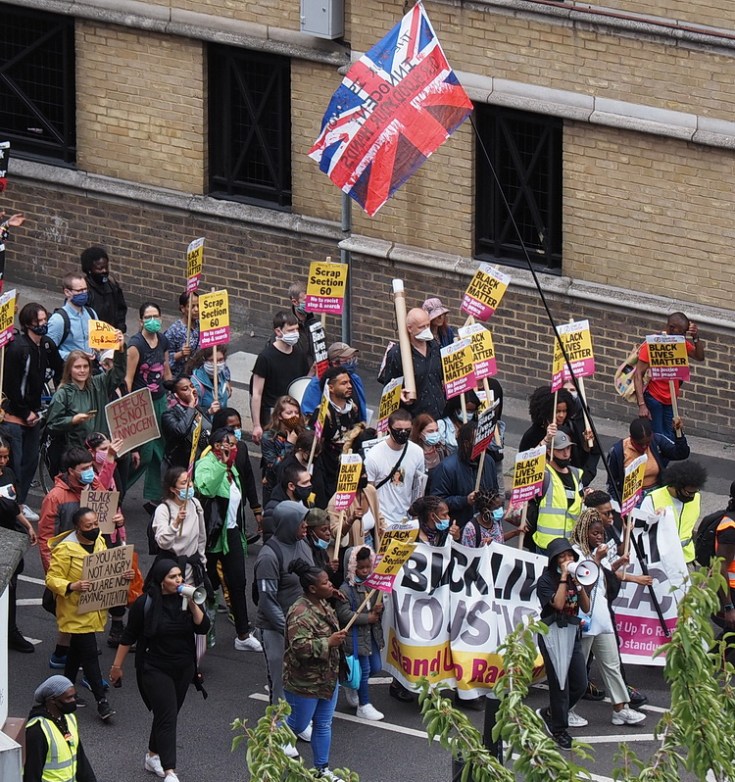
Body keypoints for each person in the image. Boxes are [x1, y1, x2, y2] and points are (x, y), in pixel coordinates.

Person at [109, 560, 210, 782]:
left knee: (168, 714)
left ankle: (152, 755)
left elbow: (203, 627)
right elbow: (128, 636)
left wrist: (193, 604)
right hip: (154, 668)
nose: (179, 581)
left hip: (183, 668)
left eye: (180, 576)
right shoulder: (145, 603)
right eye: (173, 577)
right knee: (167, 717)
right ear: (161, 580)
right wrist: (117, 667)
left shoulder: (187, 601)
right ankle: (169, 770)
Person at [46, 507, 129, 721]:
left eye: (95, 524)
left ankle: (63, 692)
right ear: (77, 528)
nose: (94, 529)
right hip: (74, 611)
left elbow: (107, 565)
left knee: (76, 652)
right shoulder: (65, 550)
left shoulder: (99, 540)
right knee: (90, 653)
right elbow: (52, 579)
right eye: (88, 526)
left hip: (94, 608)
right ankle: (102, 703)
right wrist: (72, 585)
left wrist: (123, 573)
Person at [569, 511, 647, 727]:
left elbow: (604, 577)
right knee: (576, 670)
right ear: (584, 533)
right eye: (595, 533)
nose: (600, 538)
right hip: (583, 622)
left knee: (611, 664)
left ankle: (620, 709)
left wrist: (616, 563)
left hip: (602, 619)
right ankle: (566, 710)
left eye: (601, 534)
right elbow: (586, 583)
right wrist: (596, 559)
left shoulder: (595, 554)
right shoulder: (574, 555)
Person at [194, 429, 262, 651]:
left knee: (238, 582)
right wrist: (220, 465)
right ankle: (200, 632)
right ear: (214, 447)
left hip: (231, 534)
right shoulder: (205, 464)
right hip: (212, 536)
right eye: (226, 445)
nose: (232, 449)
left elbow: (237, 507)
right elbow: (206, 489)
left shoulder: (233, 469)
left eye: (233, 445)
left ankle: (243, 634)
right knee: (207, 585)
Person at [282, 559, 347, 776]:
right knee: (297, 724)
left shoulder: (324, 603)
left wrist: (332, 596)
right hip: (305, 682)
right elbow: (299, 647)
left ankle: (322, 769)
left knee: (323, 724)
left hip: (328, 678)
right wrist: (328, 642)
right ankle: (270, 747)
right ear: (312, 588)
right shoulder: (300, 613)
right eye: (326, 583)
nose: (331, 585)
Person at [0, 302, 63, 519]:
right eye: (39, 321)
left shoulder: (45, 345)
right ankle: (10, 505)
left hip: (34, 415)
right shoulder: (18, 349)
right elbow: (11, 385)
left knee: (30, 461)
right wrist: (24, 411)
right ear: (28, 323)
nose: (44, 325)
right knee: (14, 462)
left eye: (45, 320)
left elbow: (60, 367)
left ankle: (20, 502)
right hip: (15, 418)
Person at [254, 501, 314, 711]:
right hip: (277, 630)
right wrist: (289, 630)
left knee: (300, 677)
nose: (306, 525)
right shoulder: (268, 557)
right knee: (280, 681)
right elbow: (267, 601)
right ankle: (278, 727)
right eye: (301, 522)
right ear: (289, 524)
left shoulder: (303, 545)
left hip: (301, 627)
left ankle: (297, 721)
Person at [534, 537, 591, 751]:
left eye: (570, 556)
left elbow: (585, 607)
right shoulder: (546, 581)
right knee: (560, 684)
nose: (567, 560)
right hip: (552, 634)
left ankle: (551, 712)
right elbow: (558, 604)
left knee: (580, 683)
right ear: (554, 560)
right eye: (562, 557)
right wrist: (564, 577)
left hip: (571, 632)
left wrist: (580, 584)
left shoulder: (576, 578)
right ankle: (558, 729)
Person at [45, 332, 126, 476]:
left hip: (101, 450)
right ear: (69, 369)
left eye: (85, 366)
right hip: (79, 454)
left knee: (115, 488)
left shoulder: (98, 383)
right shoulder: (63, 394)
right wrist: (72, 420)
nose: (82, 370)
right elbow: (52, 424)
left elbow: (118, 373)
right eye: (77, 367)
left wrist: (120, 350)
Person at [126, 302, 172, 502]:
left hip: (160, 400)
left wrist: (174, 391)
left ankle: (154, 494)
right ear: (141, 321)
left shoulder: (163, 340)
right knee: (144, 454)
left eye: (156, 317)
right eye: (148, 318)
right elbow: (128, 379)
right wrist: (128, 407)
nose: (152, 321)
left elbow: (166, 369)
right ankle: (117, 488)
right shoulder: (135, 346)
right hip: (141, 404)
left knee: (159, 450)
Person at [634, 311, 705, 439]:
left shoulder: (679, 342)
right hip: (654, 399)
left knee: (671, 438)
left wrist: (696, 337)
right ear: (671, 327)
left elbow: (699, 357)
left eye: (685, 332)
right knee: (658, 438)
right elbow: (638, 374)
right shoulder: (653, 344)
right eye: (681, 332)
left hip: (671, 400)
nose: (683, 336)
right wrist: (642, 405)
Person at [336, 546, 385, 721]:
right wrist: (368, 618)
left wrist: (380, 609)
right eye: (361, 568)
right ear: (352, 568)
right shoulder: (345, 589)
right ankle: (364, 705)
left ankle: (353, 685)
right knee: (364, 670)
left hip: (370, 635)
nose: (365, 571)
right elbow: (343, 614)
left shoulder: (372, 585)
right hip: (355, 638)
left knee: (376, 667)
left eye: (367, 567)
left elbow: (375, 608)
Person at [0, 435, 37, 653]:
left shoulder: (10, 474)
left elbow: (14, 508)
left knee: (11, 589)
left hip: (10, 538)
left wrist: (29, 527)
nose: (3, 461)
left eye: (6, 457)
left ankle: (10, 630)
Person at [250, 311, 310, 443]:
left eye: (296, 329)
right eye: (290, 330)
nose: (295, 334)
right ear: (278, 331)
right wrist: (256, 425)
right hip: (272, 415)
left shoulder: (299, 354)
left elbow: (302, 384)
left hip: (293, 413)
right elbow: (256, 393)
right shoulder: (265, 357)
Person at [24, 675, 97, 782]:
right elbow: (32, 773)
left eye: (74, 696)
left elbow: (80, 758)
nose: (73, 701)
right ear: (52, 700)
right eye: (68, 698)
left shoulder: (69, 718)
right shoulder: (37, 730)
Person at [428, 421, 499, 528]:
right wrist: (465, 500)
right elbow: (437, 501)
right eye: (478, 441)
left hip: (482, 530)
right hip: (458, 529)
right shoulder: (447, 468)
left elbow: (494, 490)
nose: (483, 445)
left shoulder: (488, 462)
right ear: (466, 444)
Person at [378, 307, 445, 419]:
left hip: (439, 415)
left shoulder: (435, 347)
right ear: (410, 328)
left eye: (427, 325)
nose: (426, 329)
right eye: (421, 327)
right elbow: (389, 390)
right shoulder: (397, 354)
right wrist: (399, 394)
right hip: (415, 420)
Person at [310, 368, 364, 508]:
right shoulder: (323, 414)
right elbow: (315, 445)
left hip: (345, 467)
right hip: (327, 468)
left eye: (349, 382)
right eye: (344, 383)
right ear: (331, 388)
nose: (349, 386)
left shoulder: (353, 408)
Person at [607, 416, 690, 504]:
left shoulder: (657, 441)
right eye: (639, 444)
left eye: (647, 443)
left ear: (652, 436)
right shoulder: (618, 452)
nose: (644, 447)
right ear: (631, 438)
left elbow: (681, 454)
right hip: (632, 499)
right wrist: (619, 505)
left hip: (657, 493)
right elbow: (612, 483)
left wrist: (678, 434)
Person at [639, 460, 707, 565]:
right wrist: (654, 520)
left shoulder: (696, 497)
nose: (692, 496)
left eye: (695, 491)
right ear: (676, 486)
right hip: (660, 560)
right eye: (689, 492)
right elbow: (641, 531)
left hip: (686, 559)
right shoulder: (653, 499)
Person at [210, 407, 263, 542]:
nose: (237, 430)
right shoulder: (209, 453)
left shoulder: (242, 448)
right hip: (218, 508)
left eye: (239, 426)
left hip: (238, 505)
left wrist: (256, 509)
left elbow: (249, 478)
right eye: (232, 427)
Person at [364, 409, 425, 524]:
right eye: (398, 430)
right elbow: (368, 492)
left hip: (406, 520)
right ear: (388, 428)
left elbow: (418, 486)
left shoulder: (417, 452)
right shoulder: (374, 456)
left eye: (407, 430)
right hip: (382, 520)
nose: (402, 433)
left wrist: (415, 517)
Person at [527, 431, 583, 553]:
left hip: (569, 546)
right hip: (546, 546)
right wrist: (545, 440)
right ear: (549, 451)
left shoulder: (577, 474)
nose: (566, 453)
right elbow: (528, 464)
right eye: (560, 449)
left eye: (568, 448)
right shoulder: (543, 474)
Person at [152, 466, 207, 586]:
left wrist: (203, 563)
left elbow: (201, 537)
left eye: (189, 481)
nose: (190, 486)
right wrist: (176, 523)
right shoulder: (163, 510)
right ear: (173, 489)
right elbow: (163, 543)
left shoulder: (195, 504)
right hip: (171, 573)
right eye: (184, 483)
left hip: (192, 570)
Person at [301, 342, 368, 421]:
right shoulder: (318, 383)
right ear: (335, 363)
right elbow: (309, 414)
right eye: (347, 360)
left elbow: (361, 406)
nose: (352, 362)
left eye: (353, 358)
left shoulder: (355, 378)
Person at [161, 375, 215, 473]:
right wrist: (190, 406)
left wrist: (208, 412)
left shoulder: (197, 408)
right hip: (180, 469)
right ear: (176, 394)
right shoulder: (168, 415)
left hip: (201, 465)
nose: (192, 390)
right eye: (185, 389)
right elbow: (181, 431)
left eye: (192, 386)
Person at [260, 394, 305, 506]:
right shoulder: (268, 437)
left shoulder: (302, 433)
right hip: (275, 489)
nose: (294, 416)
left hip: (298, 487)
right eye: (289, 413)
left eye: (296, 413)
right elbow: (274, 466)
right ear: (280, 415)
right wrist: (289, 445)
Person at [46, 272, 98, 360]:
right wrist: (74, 357)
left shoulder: (91, 313)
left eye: (85, 289)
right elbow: (48, 350)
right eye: (79, 291)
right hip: (68, 369)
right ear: (67, 292)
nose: (84, 293)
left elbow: (98, 342)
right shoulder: (58, 320)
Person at [80, 245, 128, 332]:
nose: (104, 271)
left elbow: (121, 308)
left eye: (106, 267)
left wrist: (120, 326)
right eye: (100, 268)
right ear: (89, 270)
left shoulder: (112, 285)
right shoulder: (83, 290)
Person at [262, 463, 313, 542]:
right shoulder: (273, 510)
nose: (309, 485)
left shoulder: (303, 500)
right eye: (304, 483)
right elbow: (271, 540)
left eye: (309, 481)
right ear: (291, 486)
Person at [164, 290, 200, 377]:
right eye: (192, 306)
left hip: (197, 375)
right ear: (183, 308)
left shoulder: (202, 326)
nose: (196, 309)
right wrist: (181, 354)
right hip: (179, 378)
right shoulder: (174, 331)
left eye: (198, 306)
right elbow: (165, 359)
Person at [188, 346, 231, 412]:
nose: (217, 364)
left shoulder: (222, 374)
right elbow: (192, 413)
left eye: (220, 360)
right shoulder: (196, 385)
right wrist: (208, 411)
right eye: (212, 360)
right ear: (204, 360)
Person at [287, 281, 320, 367]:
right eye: (305, 300)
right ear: (295, 302)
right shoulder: (287, 326)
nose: (310, 303)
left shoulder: (315, 322)